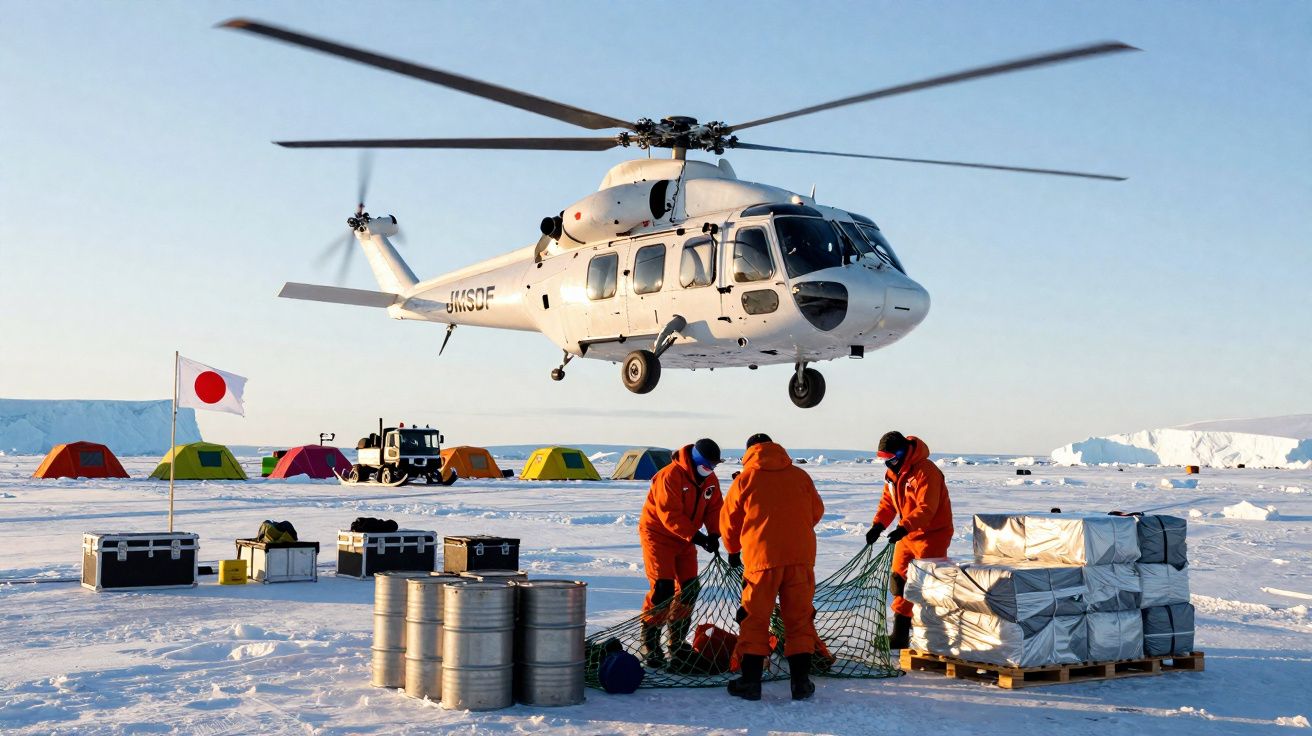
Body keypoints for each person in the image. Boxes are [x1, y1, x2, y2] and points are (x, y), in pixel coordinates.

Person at [721, 433, 825, 701]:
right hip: (800, 559)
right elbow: (816, 511)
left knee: (755, 619)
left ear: (750, 451)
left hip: (761, 561)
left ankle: (751, 683)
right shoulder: (801, 476)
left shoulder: (745, 479)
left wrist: (733, 550)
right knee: (799, 619)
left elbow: (729, 521)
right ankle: (801, 683)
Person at [637, 438, 724, 668]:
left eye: (713, 467)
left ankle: (675, 644)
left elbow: (715, 507)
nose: (710, 471)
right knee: (662, 589)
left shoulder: (710, 480)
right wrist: (698, 537)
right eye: (707, 466)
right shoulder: (669, 476)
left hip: (686, 539)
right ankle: (650, 643)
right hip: (658, 536)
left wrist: (714, 533)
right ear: (695, 461)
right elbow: (670, 516)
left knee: (689, 589)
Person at [866, 431, 953, 649]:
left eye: (890, 458)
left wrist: (904, 526)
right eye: (884, 460)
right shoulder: (893, 475)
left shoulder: (926, 471)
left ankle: (935, 634)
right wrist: (878, 525)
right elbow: (888, 503)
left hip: (931, 535)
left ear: (903, 453)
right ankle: (900, 635)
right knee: (899, 582)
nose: (887, 463)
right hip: (907, 534)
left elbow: (927, 508)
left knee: (927, 585)